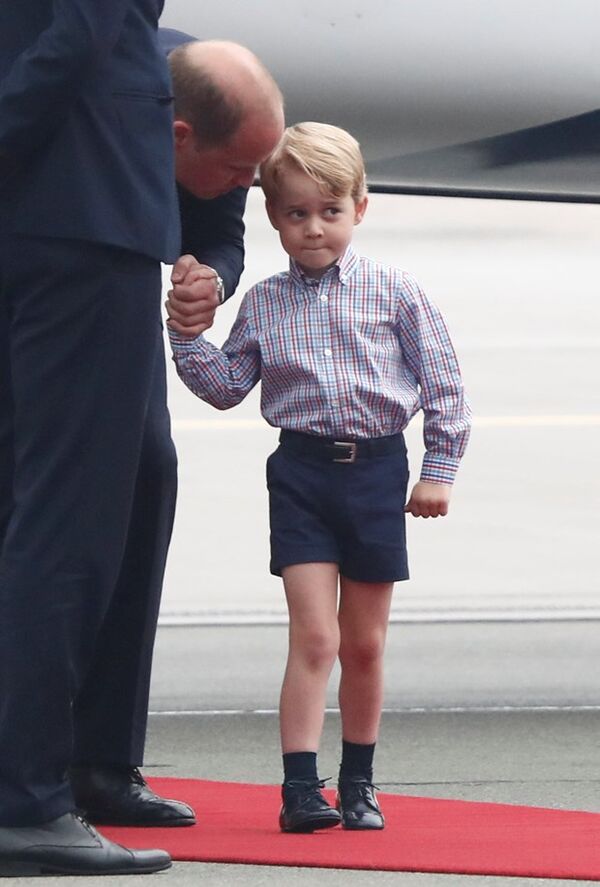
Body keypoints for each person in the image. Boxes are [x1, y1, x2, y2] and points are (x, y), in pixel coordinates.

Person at [167, 122, 471, 834]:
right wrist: (186, 335)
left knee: (364, 642)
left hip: (376, 472)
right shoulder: (264, 302)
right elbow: (226, 386)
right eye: (296, 213)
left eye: (330, 211)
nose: (313, 229)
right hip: (301, 474)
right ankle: (301, 789)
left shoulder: (396, 291)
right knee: (314, 638)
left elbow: (445, 386)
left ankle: (360, 782)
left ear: (359, 207)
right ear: (272, 216)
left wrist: (438, 471)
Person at [67, 33, 284, 828]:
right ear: (178, 137)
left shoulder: (216, 111)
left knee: (147, 474)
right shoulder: (82, 80)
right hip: (41, 287)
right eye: (239, 169)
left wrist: (210, 281)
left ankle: (103, 761)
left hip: (115, 303)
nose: (248, 184)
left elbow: (222, 232)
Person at [0, 1, 181, 876]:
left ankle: (66, 768)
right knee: (68, 522)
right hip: (83, 204)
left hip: (38, 210)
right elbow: (78, 33)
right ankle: (25, 797)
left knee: (32, 504)